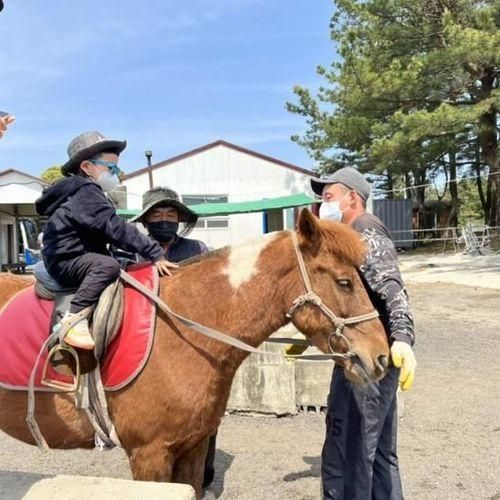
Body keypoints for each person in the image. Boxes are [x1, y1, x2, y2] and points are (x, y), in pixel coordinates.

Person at [310, 167, 417, 499]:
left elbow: (391, 287)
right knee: (379, 451)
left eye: (327, 198)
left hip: (368, 359)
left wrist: (402, 337)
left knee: (350, 449)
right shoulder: (351, 233)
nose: (320, 206)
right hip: (366, 354)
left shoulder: (363, 231)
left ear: (351, 197)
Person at [35, 131, 176, 350]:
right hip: (67, 258)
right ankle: (73, 319)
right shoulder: (85, 191)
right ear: (86, 167)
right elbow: (115, 228)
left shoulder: (86, 191)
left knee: (124, 263)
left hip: (78, 253)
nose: (117, 174)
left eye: (117, 168)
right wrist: (154, 253)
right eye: (111, 168)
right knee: (107, 266)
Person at [131, 186, 217, 494]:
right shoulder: (130, 250)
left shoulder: (197, 249)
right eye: (157, 214)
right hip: (143, 342)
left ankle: (200, 479)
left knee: (203, 416)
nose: (164, 219)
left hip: (190, 343)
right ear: (146, 219)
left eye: (171, 214)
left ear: (180, 219)